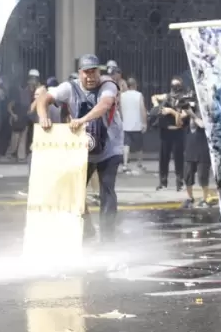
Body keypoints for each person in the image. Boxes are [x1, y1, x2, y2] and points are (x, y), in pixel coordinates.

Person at [36, 54, 123, 242]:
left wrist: (82, 120)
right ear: (79, 73)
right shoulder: (70, 87)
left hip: (110, 147)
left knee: (107, 189)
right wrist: (43, 116)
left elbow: (105, 104)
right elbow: (44, 98)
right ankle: (87, 229)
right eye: (86, 72)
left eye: (94, 72)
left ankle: (108, 239)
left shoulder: (108, 86)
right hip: (82, 148)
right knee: (74, 191)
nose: (91, 77)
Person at [151, 77, 189, 192]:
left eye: (177, 87)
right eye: (174, 86)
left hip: (178, 132)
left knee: (179, 159)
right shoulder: (166, 96)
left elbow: (183, 116)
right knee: (164, 158)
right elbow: (154, 97)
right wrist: (157, 106)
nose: (175, 89)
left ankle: (179, 183)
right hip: (166, 132)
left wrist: (171, 111)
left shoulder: (184, 100)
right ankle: (163, 183)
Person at [183, 103, 212, 209]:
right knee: (187, 176)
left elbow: (203, 125)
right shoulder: (188, 117)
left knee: (202, 177)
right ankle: (190, 198)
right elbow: (179, 123)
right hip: (190, 152)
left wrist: (193, 115)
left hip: (203, 152)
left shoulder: (206, 116)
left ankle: (205, 199)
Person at [119, 77, 147, 174]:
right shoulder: (139, 95)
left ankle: (125, 164)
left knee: (126, 145)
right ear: (135, 85)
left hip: (126, 124)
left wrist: (122, 119)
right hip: (137, 124)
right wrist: (144, 122)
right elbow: (142, 109)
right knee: (139, 146)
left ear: (127, 85)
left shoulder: (122, 96)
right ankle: (139, 163)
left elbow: (120, 109)